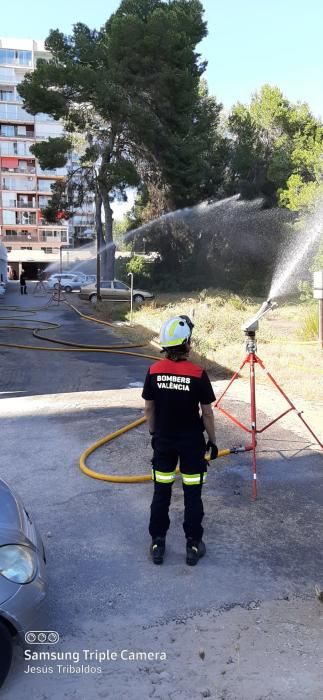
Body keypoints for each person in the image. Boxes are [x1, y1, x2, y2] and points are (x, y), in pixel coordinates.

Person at [142, 315, 218, 566]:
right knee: (192, 494)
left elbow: (148, 410)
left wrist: (154, 434)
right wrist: (213, 441)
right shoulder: (198, 374)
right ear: (186, 343)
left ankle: (157, 544)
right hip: (192, 445)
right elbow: (207, 413)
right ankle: (193, 545)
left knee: (161, 493)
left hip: (164, 442)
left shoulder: (153, 371)